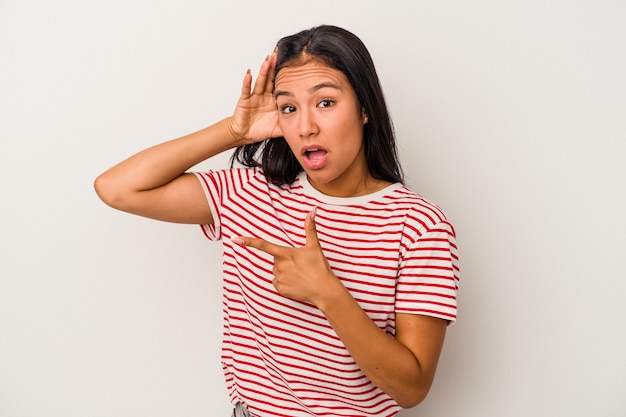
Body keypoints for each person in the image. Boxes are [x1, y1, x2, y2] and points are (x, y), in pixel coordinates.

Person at [95, 24, 459, 417]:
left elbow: (412, 387)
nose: (305, 127)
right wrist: (234, 132)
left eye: (325, 103)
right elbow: (117, 188)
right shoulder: (251, 194)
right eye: (289, 107)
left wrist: (327, 292)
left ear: (365, 108)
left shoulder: (418, 225)